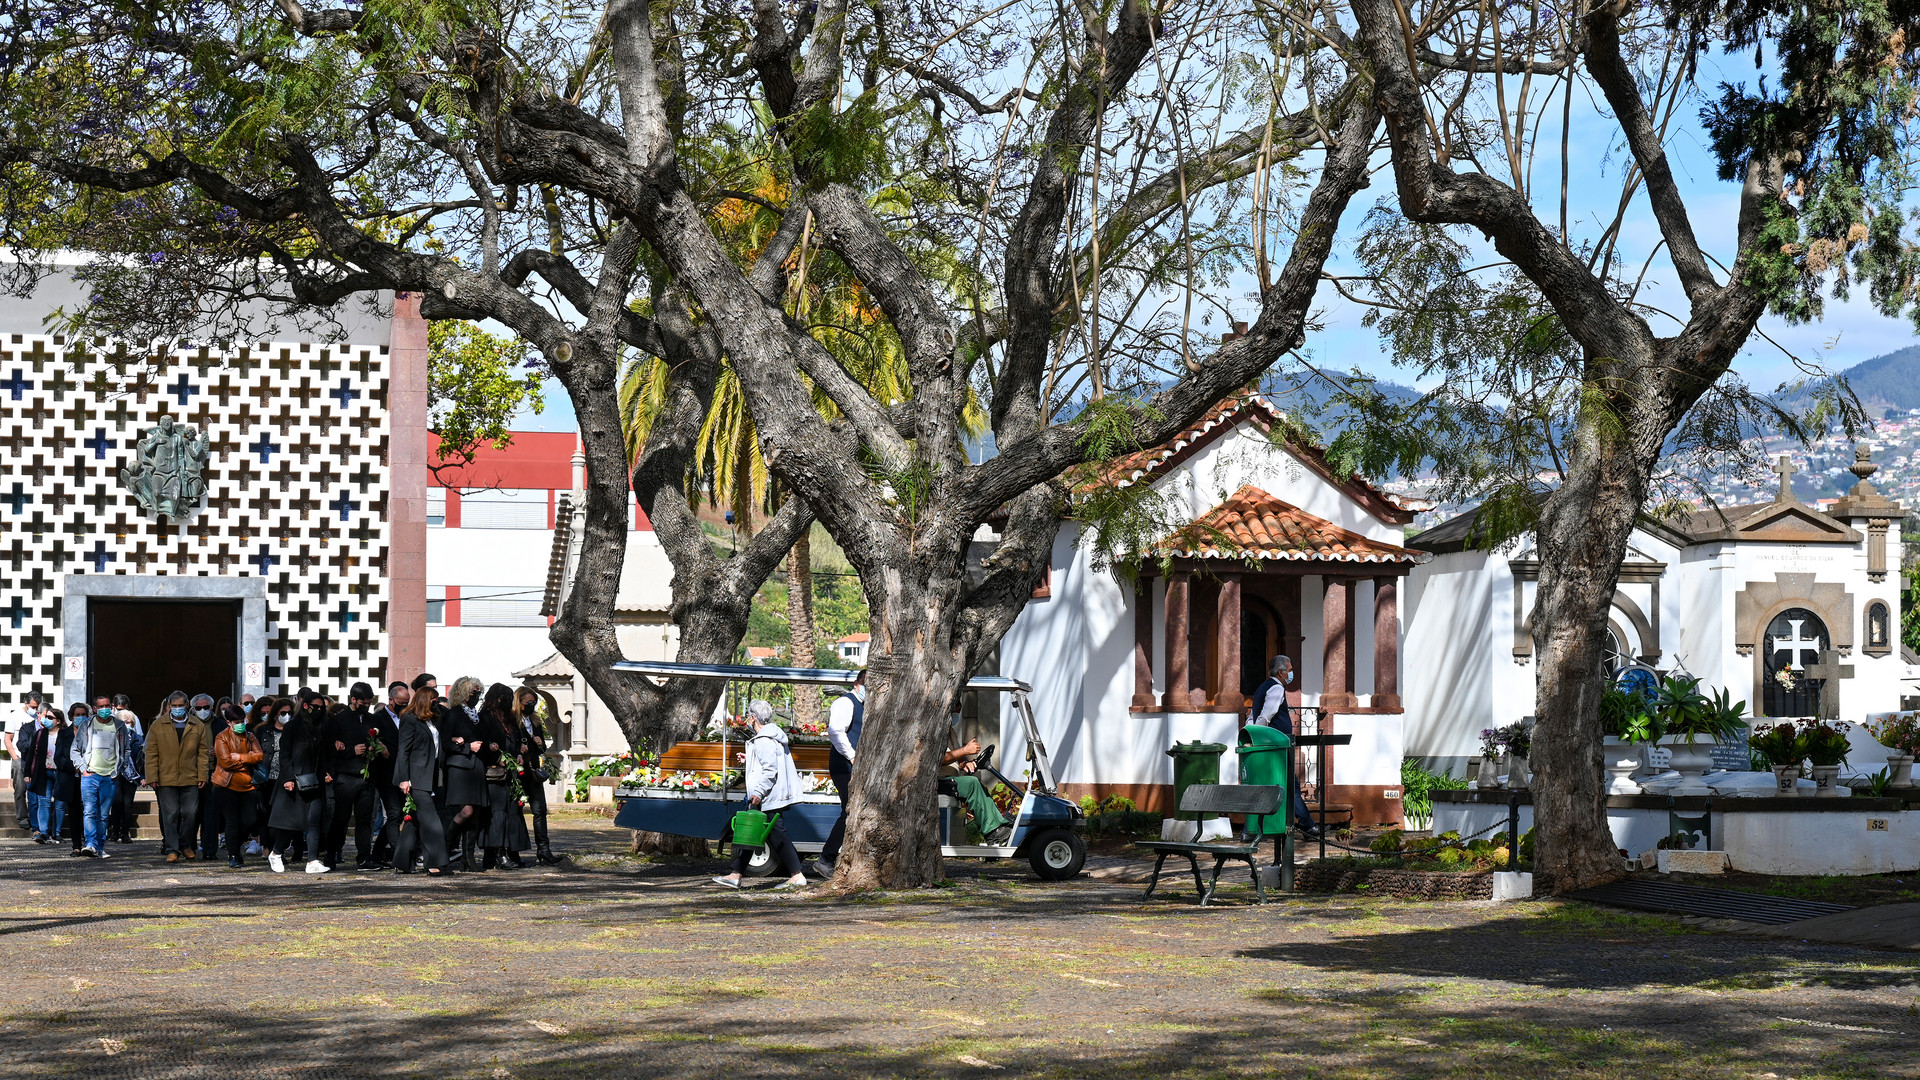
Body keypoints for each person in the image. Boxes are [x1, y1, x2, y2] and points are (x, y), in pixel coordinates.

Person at [711, 700, 808, 891]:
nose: (747, 719)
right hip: (773, 794)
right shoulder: (772, 736)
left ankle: (797, 875)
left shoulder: (764, 739)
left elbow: (770, 769)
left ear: (753, 718)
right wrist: (751, 758)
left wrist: (758, 792)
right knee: (753, 833)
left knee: (776, 834)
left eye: (748, 716)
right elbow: (770, 762)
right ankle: (736, 874)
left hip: (769, 796)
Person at [1247, 654, 1321, 838]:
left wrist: (1248, 733)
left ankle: (1249, 832)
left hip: (1269, 746)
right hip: (1276, 746)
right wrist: (1257, 736)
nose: (1291, 673)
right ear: (1281, 672)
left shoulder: (1262, 688)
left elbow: (1252, 716)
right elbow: (1266, 715)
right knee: (1290, 786)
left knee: (1263, 785)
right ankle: (1307, 826)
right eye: (1290, 670)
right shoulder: (1276, 688)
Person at [266, 690, 330, 874]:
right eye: (314, 707)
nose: (317, 710)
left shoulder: (322, 727)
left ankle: (312, 861)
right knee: (291, 823)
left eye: (321, 707)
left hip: (315, 779)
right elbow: (285, 754)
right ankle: (276, 853)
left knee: (314, 821)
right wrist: (287, 778)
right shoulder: (293, 727)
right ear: (305, 706)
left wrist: (327, 772)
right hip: (295, 779)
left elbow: (324, 754)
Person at [811, 670, 866, 878]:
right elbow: (835, 731)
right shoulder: (846, 703)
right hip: (845, 766)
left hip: (855, 766)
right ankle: (826, 858)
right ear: (856, 683)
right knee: (850, 810)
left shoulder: (864, 704)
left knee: (854, 810)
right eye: (865, 683)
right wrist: (852, 756)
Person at [144, 690, 211, 862]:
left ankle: (185, 844)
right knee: (170, 814)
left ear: (187, 705)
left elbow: (203, 753)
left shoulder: (197, 725)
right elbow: (151, 753)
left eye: (180, 705)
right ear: (169, 706)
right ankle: (172, 849)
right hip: (166, 777)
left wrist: (203, 774)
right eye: (174, 706)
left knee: (190, 813)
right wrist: (152, 776)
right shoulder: (158, 725)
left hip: (191, 777)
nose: (177, 709)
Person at [392, 682, 450, 875]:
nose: (436, 703)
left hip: (431, 776)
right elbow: (403, 751)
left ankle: (401, 861)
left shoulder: (432, 719)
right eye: (433, 700)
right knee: (431, 821)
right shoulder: (409, 719)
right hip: (416, 778)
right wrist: (404, 778)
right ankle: (435, 862)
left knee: (414, 821)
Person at [324, 682, 383, 870]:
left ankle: (364, 857)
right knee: (340, 819)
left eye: (369, 703)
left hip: (367, 776)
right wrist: (351, 750)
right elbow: (330, 749)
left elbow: (379, 741)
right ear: (353, 699)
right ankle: (331, 855)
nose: (367, 706)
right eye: (364, 703)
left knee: (365, 819)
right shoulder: (338, 720)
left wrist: (375, 748)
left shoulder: (372, 720)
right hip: (346, 776)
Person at [476, 683, 529, 870]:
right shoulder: (485, 717)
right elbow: (483, 744)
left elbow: (514, 740)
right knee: (497, 813)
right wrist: (496, 757)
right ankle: (498, 853)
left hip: (512, 772)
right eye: (503, 697)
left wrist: (519, 753)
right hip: (495, 774)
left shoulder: (509, 719)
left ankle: (512, 849)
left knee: (513, 811)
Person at [439, 676, 489, 872]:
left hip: (476, 766)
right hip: (459, 767)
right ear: (462, 693)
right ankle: (444, 849)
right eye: (473, 693)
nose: (476, 696)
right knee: (466, 811)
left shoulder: (476, 716)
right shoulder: (453, 715)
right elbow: (445, 744)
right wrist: (468, 746)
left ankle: (468, 858)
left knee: (475, 814)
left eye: (478, 692)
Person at [209, 704, 264, 868]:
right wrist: (248, 759)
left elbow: (260, 756)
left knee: (250, 820)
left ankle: (234, 845)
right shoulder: (222, 737)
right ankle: (233, 855)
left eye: (242, 720)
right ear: (229, 722)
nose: (241, 724)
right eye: (237, 721)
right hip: (225, 785)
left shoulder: (251, 736)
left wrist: (238, 757)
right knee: (232, 821)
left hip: (247, 784)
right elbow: (225, 762)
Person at [514, 688, 560, 864]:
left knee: (540, 810)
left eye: (534, 702)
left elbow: (542, 749)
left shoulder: (535, 720)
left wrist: (540, 744)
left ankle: (544, 850)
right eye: (528, 702)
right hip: (518, 771)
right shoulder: (512, 720)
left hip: (533, 769)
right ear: (519, 702)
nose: (531, 706)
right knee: (516, 810)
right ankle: (514, 850)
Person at [936, 736, 1011, 845]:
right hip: (936, 781)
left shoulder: (949, 731)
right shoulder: (930, 727)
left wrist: (965, 763)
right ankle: (992, 832)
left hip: (950, 779)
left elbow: (958, 757)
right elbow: (938, 758)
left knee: (976, 785)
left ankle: (998, 827)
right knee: (971, 783)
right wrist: (965, 750)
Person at [26, 704, 79, 847]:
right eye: (45, 717)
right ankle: (43, 832)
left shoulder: (66, 735)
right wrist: (27, 773)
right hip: (44, 772)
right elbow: (31, 754)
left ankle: (57, 832)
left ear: (58, 721)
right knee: (44, 802)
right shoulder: (39, 734)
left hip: (62, 773)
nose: (46, 719)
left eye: (50, 717)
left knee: (60, 804)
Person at [370, 682, 408, 867]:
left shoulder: (408, 717)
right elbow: (371, 738)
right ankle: (398, 854)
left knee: (399, 814)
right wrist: (379, 744)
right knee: (393, 813)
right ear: (391, 700)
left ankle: (377, 852)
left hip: (403, 772)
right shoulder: (378, 719)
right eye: (401, 702)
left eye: (406, 702)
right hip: (386, 773)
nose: (404, 706)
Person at [190, 693, 228, 860]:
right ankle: (189, 848)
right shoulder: (187, 723)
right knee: (190, 815)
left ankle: (209, 850)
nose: (202, 711)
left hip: (213, 774)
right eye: (199, 708)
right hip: (191, 775)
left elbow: (231, 745)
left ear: (212, 708)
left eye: (206, 707)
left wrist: (219, 751)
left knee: (211, 816)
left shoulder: (220, 724)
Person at [106, 693, 143, 843]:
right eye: (124, 721)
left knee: (128, 805)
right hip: (114, 773)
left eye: (129, 722)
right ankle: (115, 832)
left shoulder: (137, 738)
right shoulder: (109, 736)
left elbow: (140, 758)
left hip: (131, 775)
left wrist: (142, 776)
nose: (127, 724)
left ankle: (125, 833)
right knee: (116, 804)